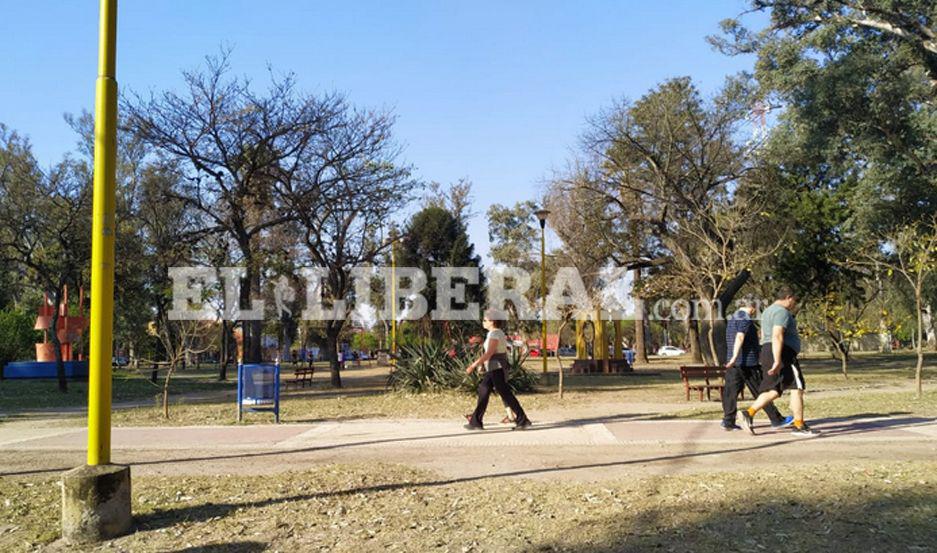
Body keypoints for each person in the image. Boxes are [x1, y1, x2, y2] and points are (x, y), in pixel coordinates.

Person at [739, 286, 819, 436]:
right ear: (789, 297)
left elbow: (765, 334)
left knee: (774, 390)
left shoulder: (767, 311)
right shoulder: (781, 312)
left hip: (768, 350)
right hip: (782, 353)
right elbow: (777, 335)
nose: (795, 303)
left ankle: (748, 413)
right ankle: (799, 425)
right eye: (794, 300)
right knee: (797, 387)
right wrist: (777, 360)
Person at [722, 298, 793, 431]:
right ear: (753, 307)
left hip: (734, 364)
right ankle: (776, 419)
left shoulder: (733, 317)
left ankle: (728, 420)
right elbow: (739, 337)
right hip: (748, 363)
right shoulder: (745, 319)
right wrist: (735, 356)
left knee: (730, 392)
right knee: (762, 392)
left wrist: (732, 359)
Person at [464, 309, 532, 431]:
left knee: (503, 393)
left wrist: (474, 365)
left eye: (485, 320)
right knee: (484, 390)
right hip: (493, 367)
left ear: (492, 321)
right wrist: (483, 365)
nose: (483, 322)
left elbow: (490, 353)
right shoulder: (493, 333)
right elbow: (489, 354)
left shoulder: (495, 333)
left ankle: (522, 420)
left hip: (496, 368)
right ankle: (476, 421)